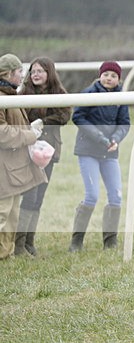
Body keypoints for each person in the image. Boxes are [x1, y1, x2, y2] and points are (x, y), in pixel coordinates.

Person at [70, 61, 130, 251]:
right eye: (106, 75)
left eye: (113, 76)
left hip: (110, 152)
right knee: (92, 196)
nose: (109, 78)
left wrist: (116, 139)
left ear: (118, 79)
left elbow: (124, 122)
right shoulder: (88, 93)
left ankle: (110, 242)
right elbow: (78, 117)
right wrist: (100, 137)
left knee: (116, 197)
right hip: (88, 150)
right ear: (100, 75)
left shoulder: (121, 97)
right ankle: (76, 242)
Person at [14, 57, 71, 256]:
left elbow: (64, 116)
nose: (35, 74)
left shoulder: (59, 93)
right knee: (30, 196)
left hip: (48, 152)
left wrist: (41, 122)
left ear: (49, 73)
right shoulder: (22, 94)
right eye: (33, 71)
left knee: (39, 198)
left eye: (40, 71)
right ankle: (19, 244)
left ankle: (29, 242)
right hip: (29, 151)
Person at [0, 53, 47, 261]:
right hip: (4, 166)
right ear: (8, 74)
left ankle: (5, 253)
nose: (22, 76)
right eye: (19, 72)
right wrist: (30, 135)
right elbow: (3, 134)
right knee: (3, 213)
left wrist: (30, 129)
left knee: (12, 214)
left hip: (12, 167)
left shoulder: (12, 95)